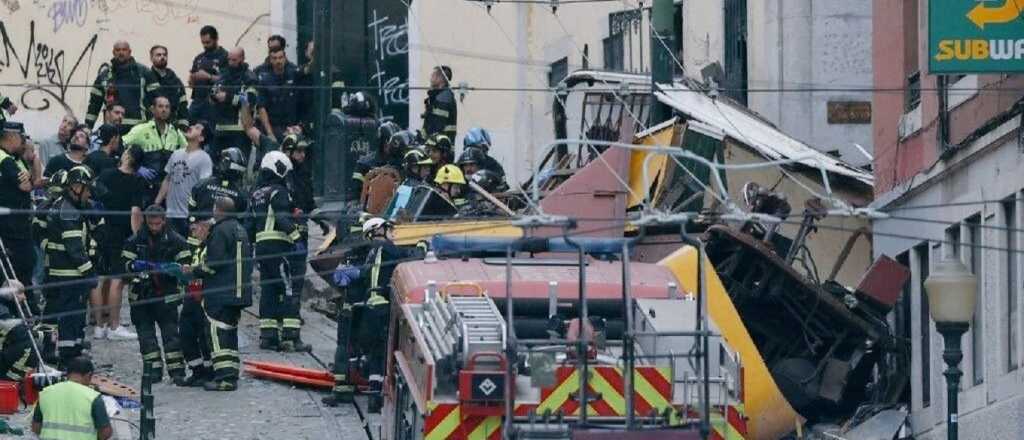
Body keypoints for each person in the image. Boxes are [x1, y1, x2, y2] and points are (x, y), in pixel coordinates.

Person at [324, 218, 423, 410]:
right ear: (378, 230)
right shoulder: (385, 248)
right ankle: (374, 397)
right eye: (389, 229)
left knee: (356, 348)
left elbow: (351, 278)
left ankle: (346, 390)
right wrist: (421, 247)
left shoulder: (365, 253)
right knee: (378, 352)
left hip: (364, 309)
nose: (392, 233)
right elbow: (406, 258)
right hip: (379, 308)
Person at [122, 205, 189, 385]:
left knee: (171, 336)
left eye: (157, 224)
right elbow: (123, 266)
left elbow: (187, 268)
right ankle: (153, 371)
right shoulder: (135, 241)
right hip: (141, 296)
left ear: (164, 221)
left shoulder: (177, 241)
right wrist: (135, 266)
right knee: (146, 337)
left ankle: (177, 372)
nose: (154, 227)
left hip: (166, 295)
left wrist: (174, 271)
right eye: (151, 224)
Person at [249, 151, 307, 352]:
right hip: (278, 246)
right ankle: (291, 337)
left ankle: (268, 336)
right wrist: (297, 238)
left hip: (262, 249)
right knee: (289, 289)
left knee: (269, 291)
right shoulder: (279, 192)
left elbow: (250, 224)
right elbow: (282, 219)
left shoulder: (256, 194)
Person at [193, 197, 252, 391]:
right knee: (230, 332)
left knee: (217, 333)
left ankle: (225, 378)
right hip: (239, 292)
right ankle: (231, 373)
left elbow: (214, 264)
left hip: (220, 292)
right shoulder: (240, 229)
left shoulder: (220, 231)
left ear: (218, 211)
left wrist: (195, 271)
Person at [42, 166, 99, 365]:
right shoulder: (69, 212)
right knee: (70, 317)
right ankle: (69, 357)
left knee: (74, 315)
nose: (90, 194)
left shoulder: (65, 206)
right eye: (88, 189)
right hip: (69, 274)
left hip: (64, 272)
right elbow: (75, 248)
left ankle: (74, 350)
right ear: (76, 187)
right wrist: (89, 272)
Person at [92, 146, 146, 342]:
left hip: (102, 229)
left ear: (127, 156)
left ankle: (99, 326)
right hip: (121, 234)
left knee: (99, 278)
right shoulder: (138, 181)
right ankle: (114, 326)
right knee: (118, 280)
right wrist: (137, 238)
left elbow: (95, 195)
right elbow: (135, 213)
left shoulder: (106, 175)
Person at [0, 122, 40, 316]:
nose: (24, 143)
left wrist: (33, 162)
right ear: (11, 137)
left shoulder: (13, 158)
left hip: (18, 226)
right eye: (22, 139)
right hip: (11, 230)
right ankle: (22, 313)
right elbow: (26, 187)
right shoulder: (4, 159)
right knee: (20, 270)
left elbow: (34, 182)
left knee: (25, 268)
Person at [122, 96, 188, 204]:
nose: (164, 110)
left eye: (167, 107)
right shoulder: (141, 129)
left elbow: (187, 153)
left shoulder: (175, 131)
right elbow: (121, 146)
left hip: (167, 189)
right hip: (145, 187)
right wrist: (136, 167)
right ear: (153, 109)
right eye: (160, 106)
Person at [31, 356, 113, 440]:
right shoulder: (93, 397)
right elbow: (105, 432)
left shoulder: (46, 393)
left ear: (68, 374)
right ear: (88, 375)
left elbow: (36, 427)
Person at [155, 121, 214, 237]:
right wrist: (156, 204)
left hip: (188, 215)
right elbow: (167, 179)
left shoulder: (204, 158)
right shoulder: (176, 154)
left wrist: (198, 217)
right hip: (170, 214)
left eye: (197, 128)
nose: (191, 127)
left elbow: (204, 187)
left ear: (201, 138)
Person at [85, 40, 157, 129]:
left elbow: (157, 100)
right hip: (112, 129)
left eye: (124, 50)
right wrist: (87, 127)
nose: (121, 53)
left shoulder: (144, 73)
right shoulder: (104, 76)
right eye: (118, 50)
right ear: (113, 52)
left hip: (139, 129)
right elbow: (94, 104)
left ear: (129, 52)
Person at [211, 47, 256, 158]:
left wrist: (227, 98)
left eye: (234, 60)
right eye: (229, 60)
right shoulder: (223, 76)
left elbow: (250, 101)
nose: (230, 63)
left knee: (238, 166)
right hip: (220, 130)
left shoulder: (249, 78)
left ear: (242, 59)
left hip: (239, 132)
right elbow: (212, 94)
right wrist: (214, 96)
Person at [255, 46, 301, 142]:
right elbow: (261, 108)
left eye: (280, 58)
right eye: (274, 58)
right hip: (273, 127)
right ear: (270, 60)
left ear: (285, 58)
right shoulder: (265, 80)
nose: (278, 61)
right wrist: (270, 133)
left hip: (292, 128)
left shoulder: (294, 75)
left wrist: (299, 126)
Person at [189, 26, 229, 123]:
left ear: (216, 39)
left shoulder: (225, 57)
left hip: (214, 103)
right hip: (197, 102)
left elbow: (228, 81)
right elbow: (191, 83)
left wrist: (208, 77)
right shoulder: (199, 58)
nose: (205, 45)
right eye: (203, 43)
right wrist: (192, 79)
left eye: (208, 42)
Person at [0, 281, 36, 382]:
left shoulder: (10, 306)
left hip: (4, 348)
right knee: (29, 348)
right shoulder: (2, 309)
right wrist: (41, 334)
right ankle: (9, 382)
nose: (24, 297)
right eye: (20, 293)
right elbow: (17, 332)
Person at [149, 45, 190, 128]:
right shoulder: (147, 78)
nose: (162, 57)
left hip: (172, 124)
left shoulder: (175, 80)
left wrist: (183, 124)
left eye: (164, 55)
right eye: (158, 55)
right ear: (151, 58)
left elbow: (183, 104)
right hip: (152, 125)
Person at [422, 65, 457, 141]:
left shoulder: (443, 98)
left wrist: (427, 141)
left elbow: (436, 126)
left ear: (441, 79)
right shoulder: (438, 96)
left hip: (440, 148)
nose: (430, 78)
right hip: (437, 146)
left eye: (433, 75)